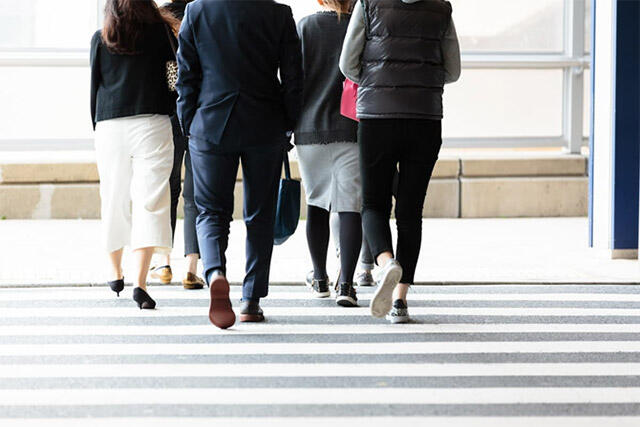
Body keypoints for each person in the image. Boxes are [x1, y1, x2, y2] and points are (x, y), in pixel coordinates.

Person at [176, 0, 303, 329]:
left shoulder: (198, 11)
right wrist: (287, 122)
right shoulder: (278, 14)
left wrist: (189, 124)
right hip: (265, 123)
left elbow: (187, 76)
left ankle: (215, 271)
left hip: (210, 123)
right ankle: (250, 299)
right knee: (259, 214)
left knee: (210, 211)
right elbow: (293, 77)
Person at [340, 0, 461, 323]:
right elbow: (453, 71)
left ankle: (385, 263)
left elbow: (348, 64)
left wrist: (376, 79)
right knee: (410, 212)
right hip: (425, 117)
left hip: (377, 116)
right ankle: (400, 301)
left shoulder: (369, 4)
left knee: (373, 204)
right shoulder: (441, 8)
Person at [90, 0, 180, 309]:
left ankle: (115, 272)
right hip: (152, 122)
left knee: (113, 197)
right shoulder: (161, 33)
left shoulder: (101, 37)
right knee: (151, 201)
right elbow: (174, 76)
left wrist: (98, 121)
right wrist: (170, 107)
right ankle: (140, 284)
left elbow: (94, 85)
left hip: (110, 124)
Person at [295, 0, 363, 307]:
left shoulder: (306, 26)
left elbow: (291, 79)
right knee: (350, 206)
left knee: (316, 203)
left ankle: (320, 278)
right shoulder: (361, 24)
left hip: (309, 129)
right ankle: (346, 284)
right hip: (351, 126)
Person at [149, 0, 206, 291]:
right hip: (199, 113)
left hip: (169, 113)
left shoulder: (157, 18)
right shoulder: (207, 12)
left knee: (166, 188)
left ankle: (163, 261)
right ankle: (192, 267)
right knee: (196, 194)